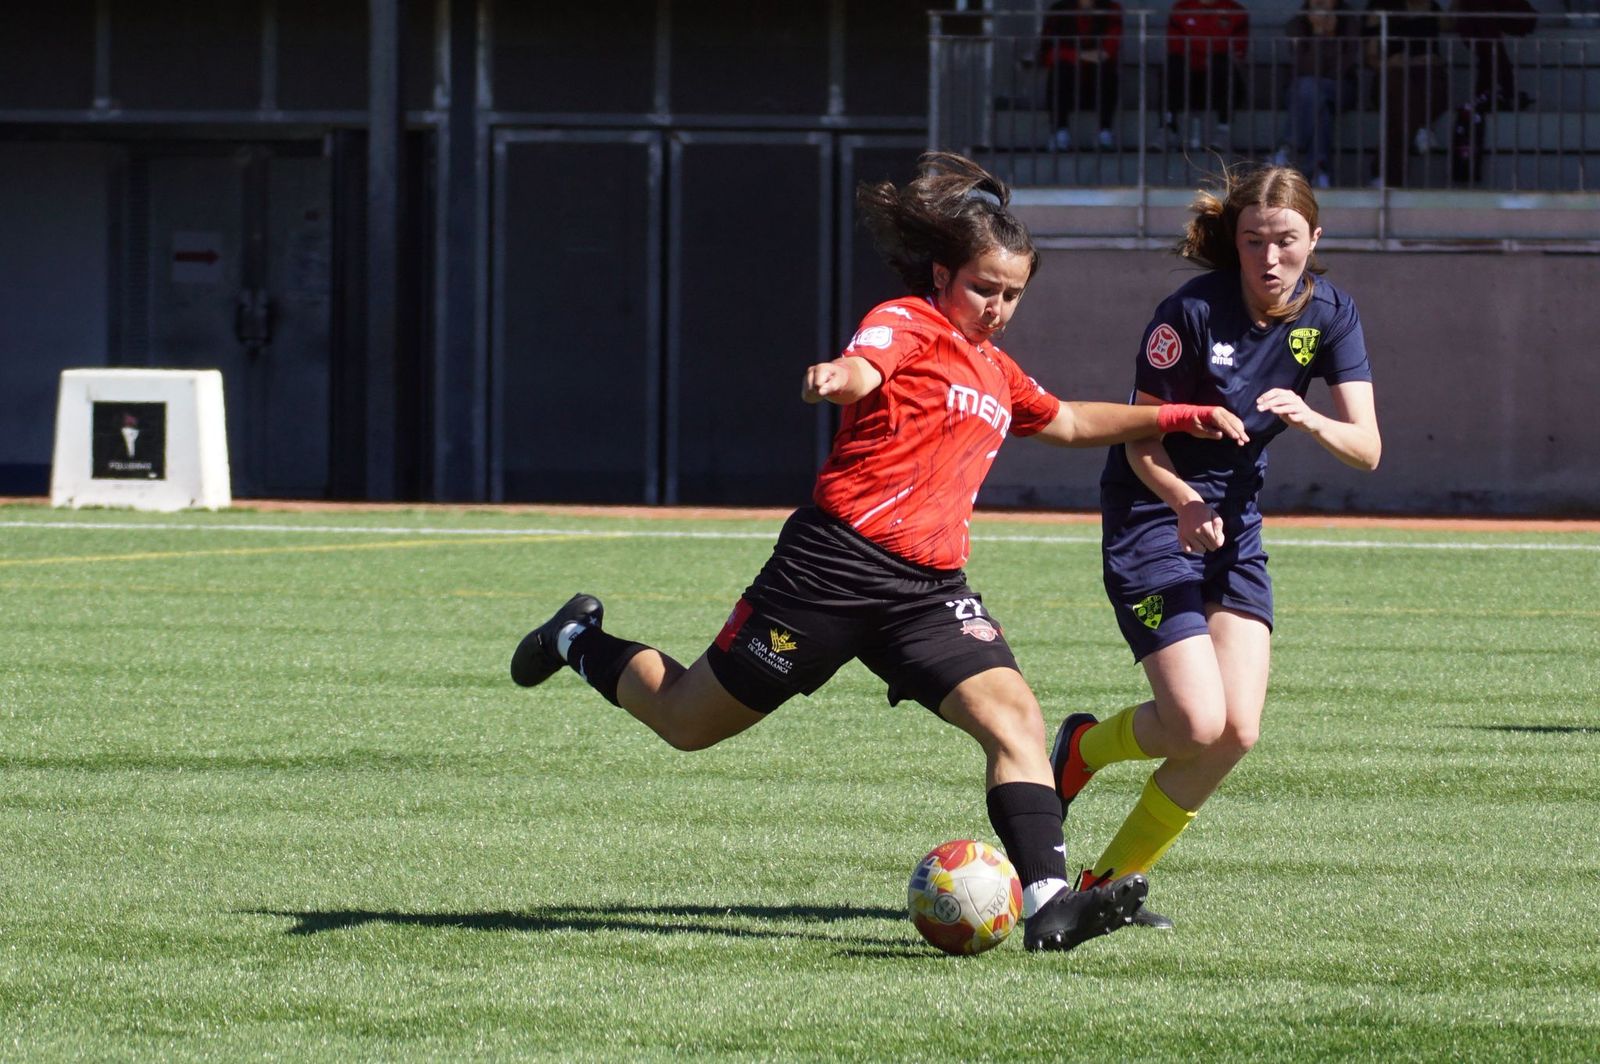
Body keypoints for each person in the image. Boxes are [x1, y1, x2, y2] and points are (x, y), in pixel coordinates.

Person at [509, 152, 1247, 953]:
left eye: (1012, 294)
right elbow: (870, 363)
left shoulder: (997, 371)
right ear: (943, 275)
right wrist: (841, 376)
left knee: (1016, 720)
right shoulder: (909, 320)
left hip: (927, 591)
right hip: (828, 573)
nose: (997, 307)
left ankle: (1047, 906)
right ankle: (577, 638)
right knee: (686, 722)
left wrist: (1173, 418)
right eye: (983, 289)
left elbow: (1066, 420)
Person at [1049, 163, 1381, 929]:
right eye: (1254, 240)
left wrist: (1309, 418)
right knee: (1197, 722)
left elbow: (1366, 449)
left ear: (1314, 239)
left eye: (1286, 241)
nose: (1270, 258)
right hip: (1151, 511)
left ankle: (1104, 889)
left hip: (1235, 526)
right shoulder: (1189, 314)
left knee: (1236, 733)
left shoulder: (1332, 314)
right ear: (1234, 242)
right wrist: (1186, 499)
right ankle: (1082, 751)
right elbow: (1137, 442)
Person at [1272, 0, 1364, 188]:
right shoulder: (1297, 24)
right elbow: (1304, 68)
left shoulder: (1350, 23)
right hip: (1301, 91)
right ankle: (1318, 170)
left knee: (1311, 89)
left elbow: (1338, 70)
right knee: (1318, 106)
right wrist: (1317, 33)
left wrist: (1329, 35)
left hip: (1340, 88)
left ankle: (1289, 147)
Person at [1363, 0, 1450, 186]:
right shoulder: (1380, 9)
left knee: (1403, 111)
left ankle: (1383, 176)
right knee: (1398, 95)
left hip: (1427, 78)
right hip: (1394, 78)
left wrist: (1427, 60)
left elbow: (1454, 25)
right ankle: (1419, 126)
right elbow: (1371, 57)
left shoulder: (1433, 8)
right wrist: (1392, 62)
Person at [1162, 0, 1251, 151]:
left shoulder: (1235, 10)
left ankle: (1224, 130)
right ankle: (1168, 128)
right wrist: (1202, 58)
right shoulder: (1182, 8)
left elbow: (1238, 49)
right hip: (1190, 76)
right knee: (1173, 66)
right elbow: (1176, 46)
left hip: (1218, 78)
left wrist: (1212, 57)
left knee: (1223, 65)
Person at [1038, 0, 1125, 151]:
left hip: (1096, 84)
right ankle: (1060, 132)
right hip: (1069, 84)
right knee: (1060, 70)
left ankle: (1105, 133)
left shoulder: (1111, 9)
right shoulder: (1058, 10)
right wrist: (1082, 55)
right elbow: (1048, 54)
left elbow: (1107, 52)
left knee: (1106, 71)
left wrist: (1069, 55)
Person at [1452, 0, 1538, 111]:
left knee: (1489, 50)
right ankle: (1490, 95)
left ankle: (1491, 95)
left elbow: (1492, 42)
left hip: (1506, 19)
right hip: (1483, 23)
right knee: (1488, 52)